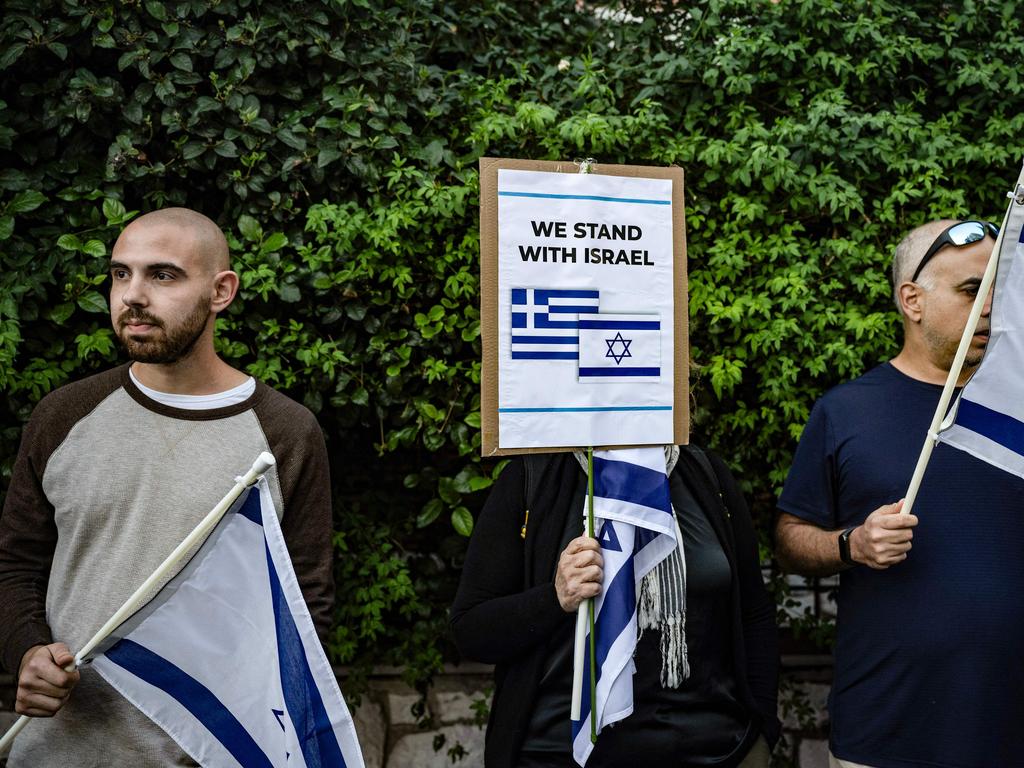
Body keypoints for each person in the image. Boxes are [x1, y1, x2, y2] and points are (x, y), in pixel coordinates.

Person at [0, 208, 334, 767]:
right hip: (61, 750)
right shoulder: (64, 416)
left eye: (163, 275)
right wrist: (26, 649)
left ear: (221, 291)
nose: (132, 295)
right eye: (120, 274)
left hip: (206, 753)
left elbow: (302, 610)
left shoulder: (284, 434)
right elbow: (15, 564)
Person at [775, 219, 1024, 768]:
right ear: (912, 300)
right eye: (970, 292)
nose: (990, 309)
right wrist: (852, 545)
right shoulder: (846, 411)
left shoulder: (1017, 414)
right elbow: (790, 539)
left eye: (998, 293)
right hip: (887, 728)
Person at [451, 445, 780, 768]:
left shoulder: (705, 474)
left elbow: (754, 614)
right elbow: (471, 629)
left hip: (711, 746)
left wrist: (761, 733)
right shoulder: (533, 476)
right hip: (560, 752)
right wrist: (555, 598)